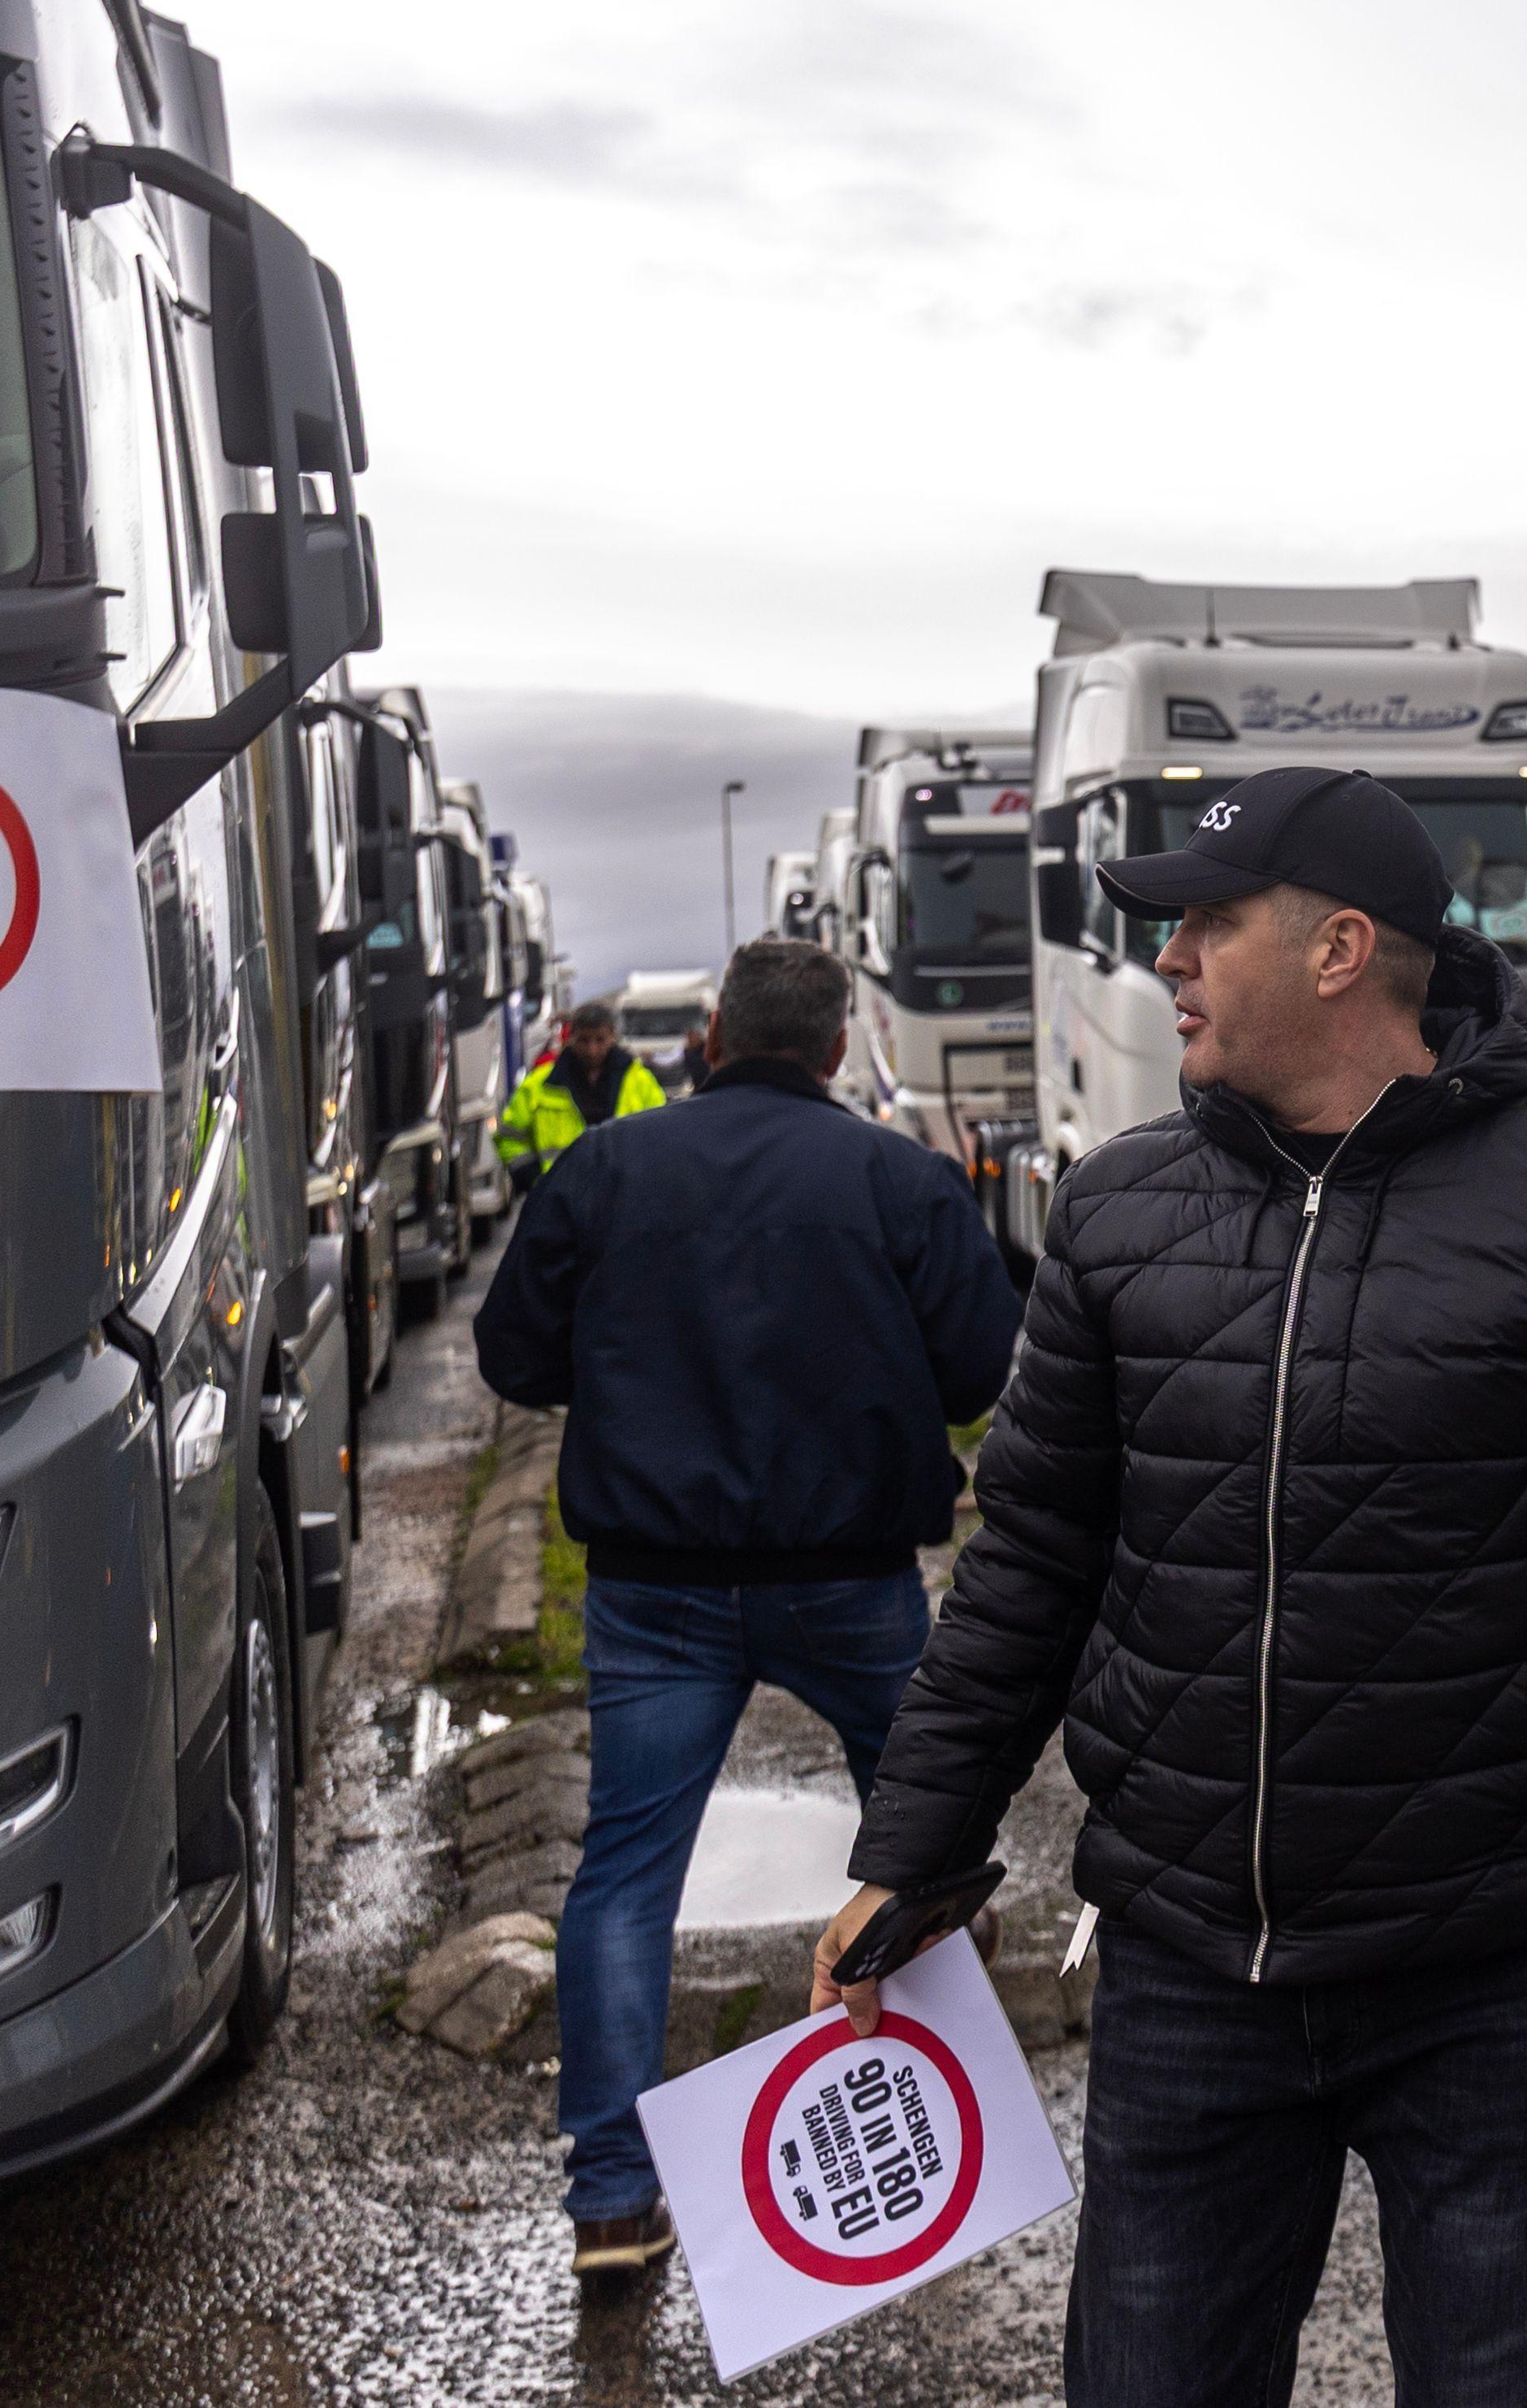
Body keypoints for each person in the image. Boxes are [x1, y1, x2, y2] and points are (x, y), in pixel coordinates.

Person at [813, 763, 1527, 2405]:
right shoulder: (1119, 1212)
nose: (1166, 958)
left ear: (1337, 950)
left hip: (1495, 1989)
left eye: (1206, 921)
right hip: (1189, 1977)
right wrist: (912, 1851)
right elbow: (1027, 1561)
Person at [472, 934, 1023, 2283]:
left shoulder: (605, 1171)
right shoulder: (902, 1178)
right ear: (839, 1047)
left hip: (653, 1590)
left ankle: (611, 2197)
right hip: (852, 1584)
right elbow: (978, 1376)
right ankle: (947, 2150)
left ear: (712, 1036)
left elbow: (511, 1354)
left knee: (623, 1878)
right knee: (934, 1841)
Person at [495, 998, 664, 1187]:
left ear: (612, 1037)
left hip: (624, 1194)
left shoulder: (640, 1081)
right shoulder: (538, 1085)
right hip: (560, 1199)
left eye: (600, 1040)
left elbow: (660, 1135)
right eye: (584, 1040)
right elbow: (509, 1136)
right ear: (571, 1038)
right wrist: (535, 1180)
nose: (592, 1050)